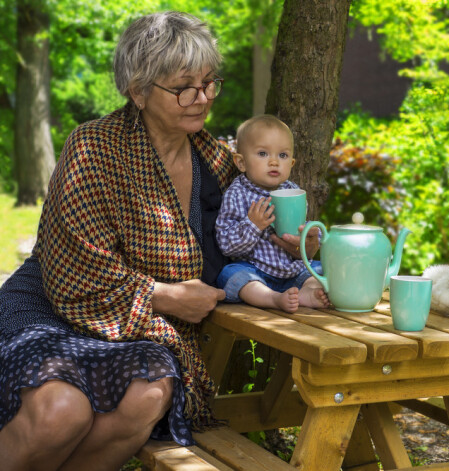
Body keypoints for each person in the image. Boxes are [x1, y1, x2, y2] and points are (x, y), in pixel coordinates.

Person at [0, 12, 317, 470]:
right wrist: (164, 296)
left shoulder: (219, 160)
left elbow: (254, 226)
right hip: (52, 304)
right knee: (59, 413)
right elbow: (77, 264)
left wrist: (293, 244)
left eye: (210, 83)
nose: (202, 98)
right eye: (184, 86)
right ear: (138, 90)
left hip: (139, 327)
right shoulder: (93, 147)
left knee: (147, 397)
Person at [215, 115, 329, 313]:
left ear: (291, 164)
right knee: (231, 275)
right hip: (256, 271)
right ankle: (273, 298)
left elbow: (304, 226)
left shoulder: (293, 191)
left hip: (293, 270)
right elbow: (226, 244)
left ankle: (308, 294)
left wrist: (308, 235)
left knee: (320, 270)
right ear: (241, 162)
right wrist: (252, 225)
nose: (274, 162)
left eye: (282, 156)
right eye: (262, 153)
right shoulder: (237, 193)